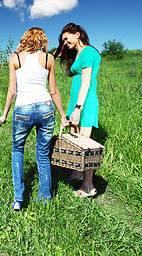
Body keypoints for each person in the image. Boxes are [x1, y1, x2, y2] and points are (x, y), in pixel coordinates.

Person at [0, 27, 69, 211]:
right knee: (43, 154)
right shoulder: (48, 59)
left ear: (25, 38)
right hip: (45, 108)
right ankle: (45, 198)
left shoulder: (15, 57)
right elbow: (53, 91)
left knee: (17, 150)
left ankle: (18, 199)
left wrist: (5, 113)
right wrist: (63, 116)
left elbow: (12, 90)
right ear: (42, 40)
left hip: (23, 109)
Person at [54, 22, 102, 198]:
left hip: (85, 102)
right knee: (75, 141)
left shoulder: (88, 52)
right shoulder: (78, 54)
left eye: (67, 39)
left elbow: (86, 82)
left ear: (77, 35)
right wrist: (61, 49)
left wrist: (78, 108)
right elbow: (59, 57)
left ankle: (88, 186)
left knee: (85, 145)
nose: (65, 43)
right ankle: (77, 173)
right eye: (63, 41)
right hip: (76, 102)